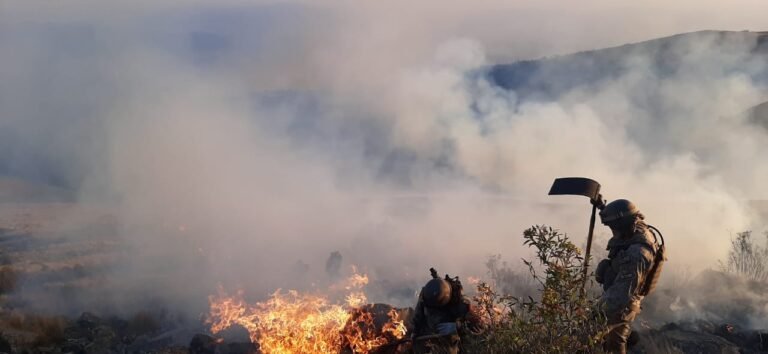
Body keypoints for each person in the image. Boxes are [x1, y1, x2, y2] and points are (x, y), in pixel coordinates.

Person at [595, 199, 664, 354]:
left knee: (590, 338)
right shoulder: (635, 225)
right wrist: (602, 208)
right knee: (613, 341)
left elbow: (620, 294)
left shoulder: (637, 254)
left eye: (614, 227)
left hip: (624, 304)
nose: (613, 232)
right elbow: (623, 213)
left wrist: (595, 314)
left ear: (623, 224)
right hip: (625, 297)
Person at [410, 268, 481, 354]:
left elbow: (478, 327)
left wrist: (456, 326)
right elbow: (417, 317)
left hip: (453, 342)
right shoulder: (426, 296)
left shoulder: (461, 303)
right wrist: (414, 332)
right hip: (429, 336)